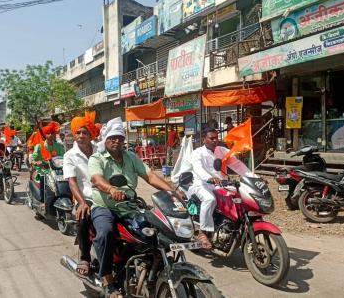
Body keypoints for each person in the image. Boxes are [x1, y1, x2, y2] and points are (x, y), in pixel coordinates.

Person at [88, 117, 173, 298]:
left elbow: (150, 176)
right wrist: (111, 189)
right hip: (105, 206)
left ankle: (150, 268)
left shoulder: (131, 157)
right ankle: (107, 280)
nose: (117, 141)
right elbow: (96, 179)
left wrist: (173, 191)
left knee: (152, 232)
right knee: (105, 233)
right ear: (105, 140)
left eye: (120, 137)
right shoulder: (97, 158)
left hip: (128, 207)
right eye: (113, 138)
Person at [188, 128, 253, 249]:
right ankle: (203, 232)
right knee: (210, 199)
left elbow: (237, 164)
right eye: (211, 138)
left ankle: (235, 225)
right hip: (202, 184)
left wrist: (253, 177)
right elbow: (198, 168)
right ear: (204, 139)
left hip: (222, 184)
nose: (214, 140)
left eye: (216, 138)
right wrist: (209, 178)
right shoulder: (197, 153)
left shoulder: (222, 150)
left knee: (241, 197)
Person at [63, 112, 100, 278]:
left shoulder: (100, 150)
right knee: (84, 217)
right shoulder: (69, 155)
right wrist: (82, 202)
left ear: (90, 134)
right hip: (85, 197)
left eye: (85, 132)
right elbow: (72, 181)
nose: (81, 136)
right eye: (78, 132)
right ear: (73, 134)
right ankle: (84, 257)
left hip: (105, 195)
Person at [31, 121, 65, 201]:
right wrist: (37, 163)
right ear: (45, 134)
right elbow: (32, 160)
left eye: (52, 133)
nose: (50, 135)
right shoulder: (39, 146)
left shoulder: (59, 146)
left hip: (57, 171)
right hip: (44, 171)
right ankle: (42, 200)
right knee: (43, 180)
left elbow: (64, 158)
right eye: (48, 133)